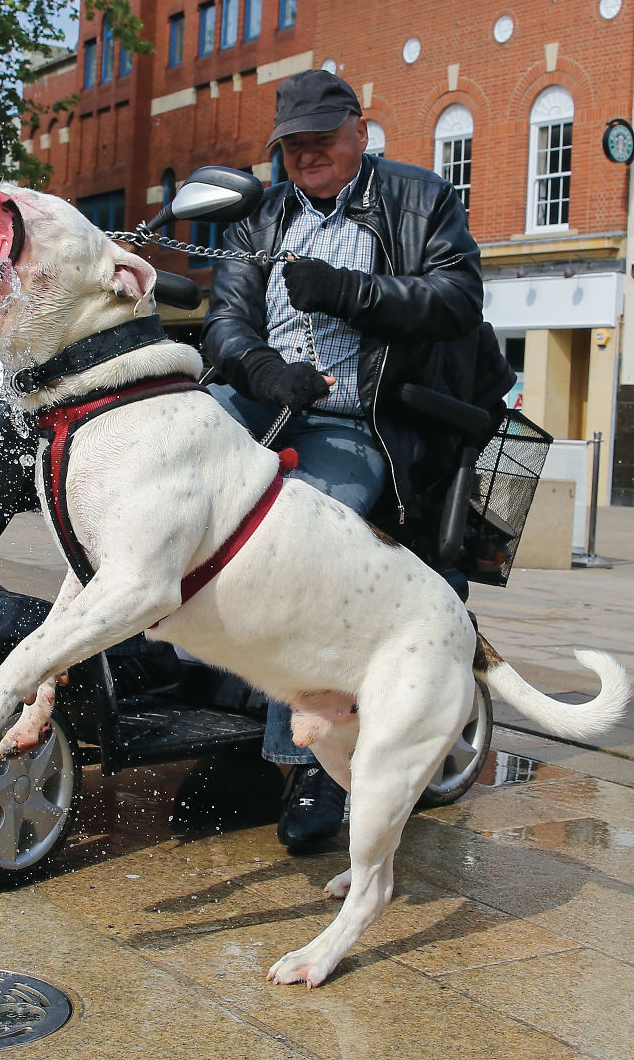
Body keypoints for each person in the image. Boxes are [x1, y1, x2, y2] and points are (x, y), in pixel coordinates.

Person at [201, 68, 497, 852]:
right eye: (291, 144)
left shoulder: (420, 197)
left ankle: (303, 760)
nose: (306, 155)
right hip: (260, 400)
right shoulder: (262, 215)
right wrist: (260, 367)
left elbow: (459, 298)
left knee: (298, 543)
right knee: (166, 472)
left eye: (321, 139)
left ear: (359, 133)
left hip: (360, 422)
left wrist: (350, 291)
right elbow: (224, 319)